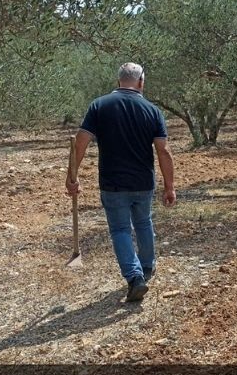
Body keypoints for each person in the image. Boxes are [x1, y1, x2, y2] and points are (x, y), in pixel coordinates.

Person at [66, 62, 176, 302]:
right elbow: (163, 151)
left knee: (120, 230)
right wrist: (170, 186)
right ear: (141, 82)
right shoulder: (152, 110)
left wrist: (72, 176)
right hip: (143, 182)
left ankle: (135, 277)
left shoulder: (99, 105)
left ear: (119, 82)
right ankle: (146, 267)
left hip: (112, 183)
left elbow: (81, 143)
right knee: (144, 223)